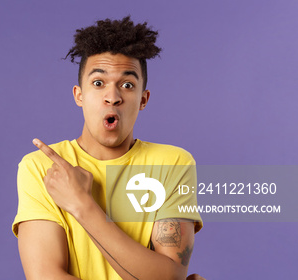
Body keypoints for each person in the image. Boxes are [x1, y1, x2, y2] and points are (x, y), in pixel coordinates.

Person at [12, 16, 205, 280]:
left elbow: (168, 276)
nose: (112, 97)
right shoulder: (42, 168)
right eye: (98, 83)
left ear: (143, 99)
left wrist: (82, 204)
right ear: (79, 95)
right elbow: (45, 276)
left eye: (127, 85)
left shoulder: (173, 163)